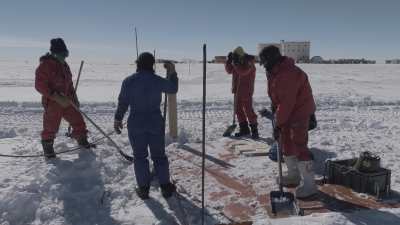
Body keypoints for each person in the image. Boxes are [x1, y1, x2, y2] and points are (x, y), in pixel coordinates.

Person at [114, 52, 178, 200]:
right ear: (152, 65)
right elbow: (173, 88)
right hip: (155, 122)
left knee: (140, 156)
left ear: (138, 64)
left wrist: (118, 118)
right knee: (159, 156)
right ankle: (165, 187)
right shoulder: (157, 80)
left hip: (136, 124)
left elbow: (123, 102)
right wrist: (172, 73)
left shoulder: (128, 81)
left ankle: (143, 189)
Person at [259, 45, 317, 198]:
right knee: (285, 143)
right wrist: (273, 105)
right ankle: (293, 175)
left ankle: (310, 185)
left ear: (272, 60)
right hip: (287, 111)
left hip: (299, 111)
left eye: (265, 63)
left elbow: (287, 103)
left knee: (299, 144)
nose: (264, 66)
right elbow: (278, 95)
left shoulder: (288, 74)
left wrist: (278, 123)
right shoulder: (275, 71)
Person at [35, 38, 93, 159]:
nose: (63, 57)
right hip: (53, 102)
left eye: (64, 54)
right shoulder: (45, 66)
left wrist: (75, 97)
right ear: (53, 53)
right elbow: (40, 85)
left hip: (68, 100)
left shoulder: (64, 65)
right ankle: (48, 149)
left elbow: (69, 84)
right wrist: (55, 96)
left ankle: (82, 141)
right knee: (50, 127)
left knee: (78, 120)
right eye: (61, 54)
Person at [225, 46, 259, 139]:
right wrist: (229, 61)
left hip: (246, 90)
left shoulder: (249, 62)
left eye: (236, 56)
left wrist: (236, 63)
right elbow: (229, 71)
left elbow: (243, 72)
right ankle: (244, 129)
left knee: (248, 110)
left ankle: (254, 130)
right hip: (237, 90)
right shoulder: (237, 61)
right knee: (238, 110)